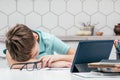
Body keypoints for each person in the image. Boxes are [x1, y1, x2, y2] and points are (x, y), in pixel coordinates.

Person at [4, 24, 76, 69]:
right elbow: (13, 64)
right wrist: (51, 64)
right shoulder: (15, 46)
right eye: (27, 59)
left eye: (34, 54)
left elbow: (77, 56)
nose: (32, 59)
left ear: (35, 37)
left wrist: (57, 58)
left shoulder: (49, 40)